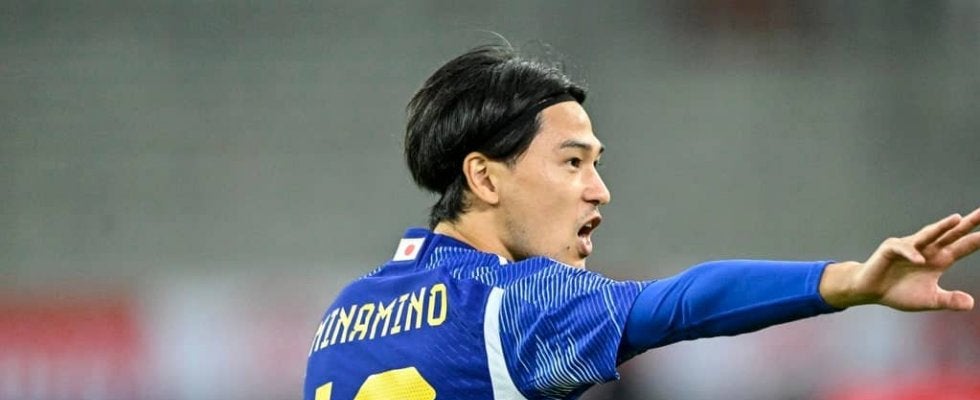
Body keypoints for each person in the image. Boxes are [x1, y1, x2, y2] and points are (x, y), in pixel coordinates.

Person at [303, 44, 980, 400]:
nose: (598, 190)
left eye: (595, 164)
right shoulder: (512, 304)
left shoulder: (343, 316)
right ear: (484, 177)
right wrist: (847, 282)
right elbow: (681, 304)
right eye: (572, 162)